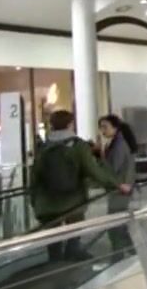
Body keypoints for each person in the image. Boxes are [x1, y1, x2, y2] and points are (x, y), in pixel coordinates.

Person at [31, 110, 130, 262]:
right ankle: (73, 255)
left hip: (47, 201)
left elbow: (34, 176)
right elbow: (94, 171)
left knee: (52, 236)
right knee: (75, 228)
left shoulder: (43, 146)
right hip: (73, 200)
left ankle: (55, 263)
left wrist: (34, 200)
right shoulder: (78, 145)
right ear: (70, 124)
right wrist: (117, 184)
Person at [98, 115, 137, 264]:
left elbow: (112, 168)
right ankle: (133, 253)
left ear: (115, 127)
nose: (103, 131)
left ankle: (118, 257)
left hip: (120, 188)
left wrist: (101, 155)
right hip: (121, 188)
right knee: (120, 224)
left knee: (115, 225)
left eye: (105, 127)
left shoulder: (119, 145)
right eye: (101, 127)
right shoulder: (117, 142)